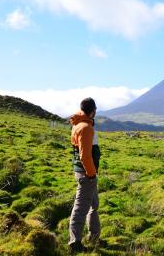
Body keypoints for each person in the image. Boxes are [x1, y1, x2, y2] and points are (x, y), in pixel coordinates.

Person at [68, 97, 101, 252]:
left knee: (93, 205)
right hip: (87, 174)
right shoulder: (86, 127)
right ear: (93, 111)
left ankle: (94, 237)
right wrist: (92, 174)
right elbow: (85, 156)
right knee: (81, 208)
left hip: (83, 172)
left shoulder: (77, 124)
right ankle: (75, 243)